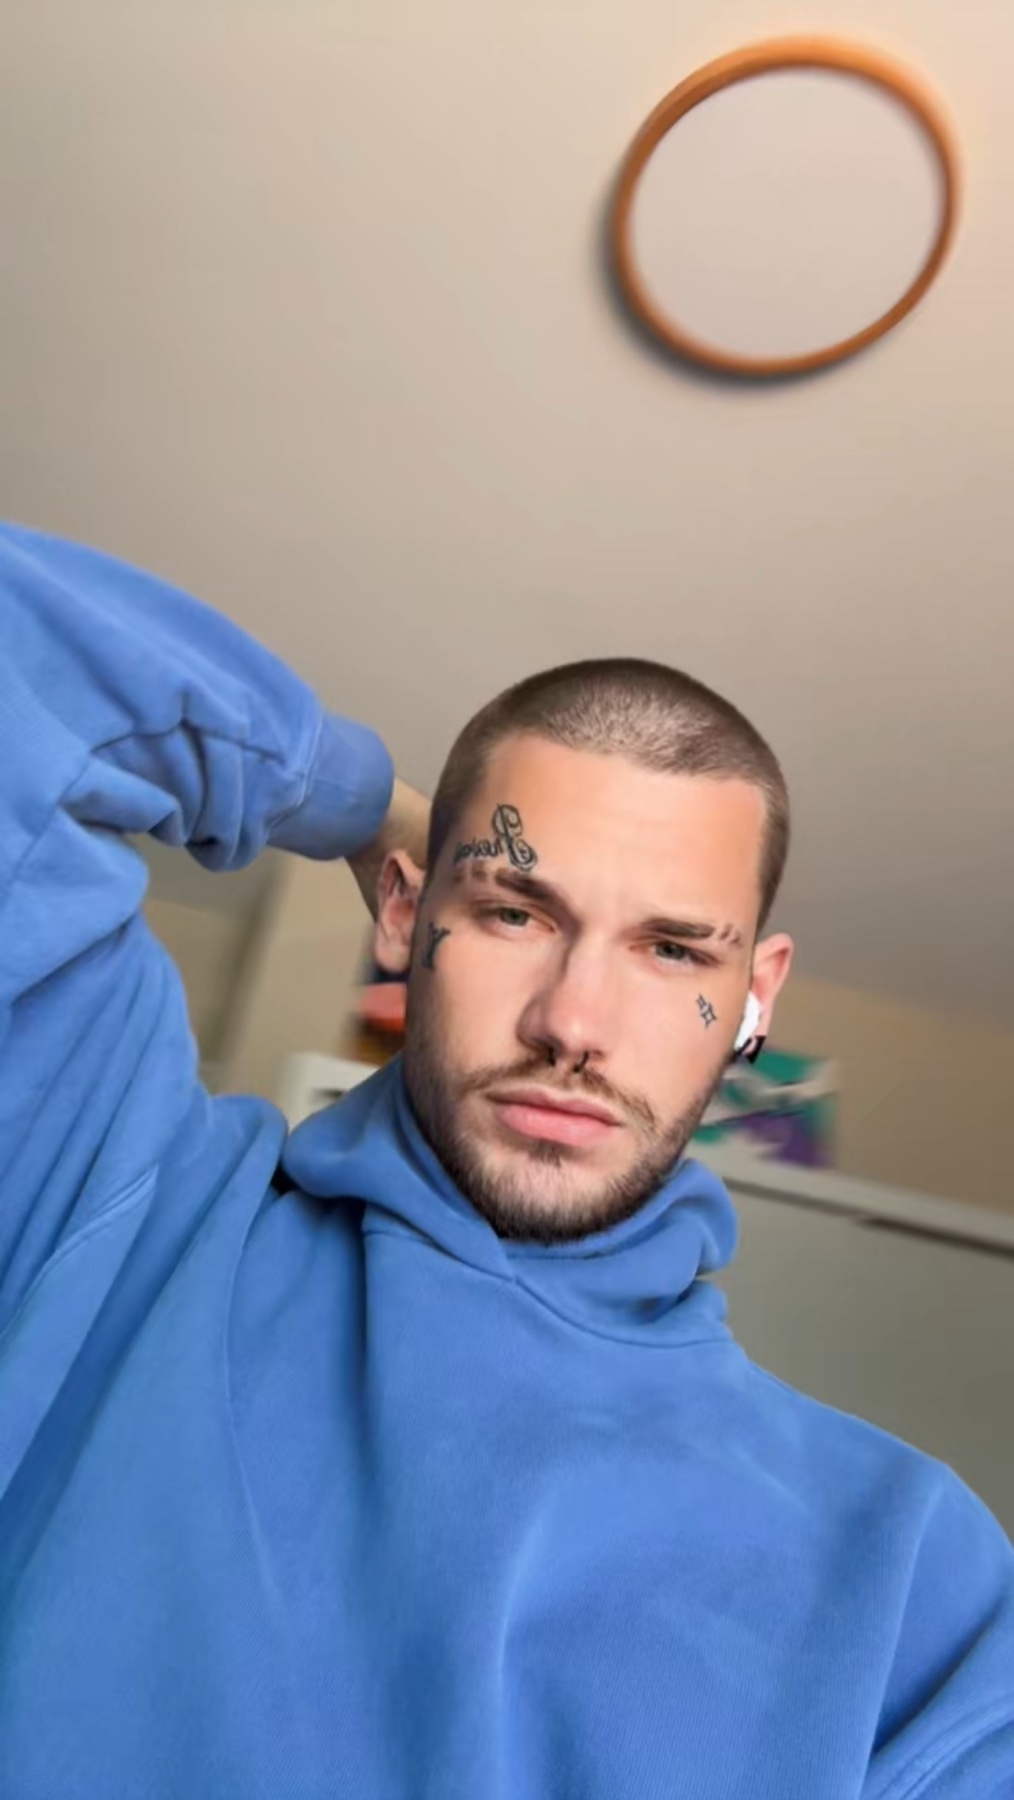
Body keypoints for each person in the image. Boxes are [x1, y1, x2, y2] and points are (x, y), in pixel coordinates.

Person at [0, 522, 1010, 1800]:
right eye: (515, 912)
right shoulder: (120, 1202)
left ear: (757, 996)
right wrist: (368, 807)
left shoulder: (918, 1582)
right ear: (406, 913)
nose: (574, 1025)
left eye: (673, 951)